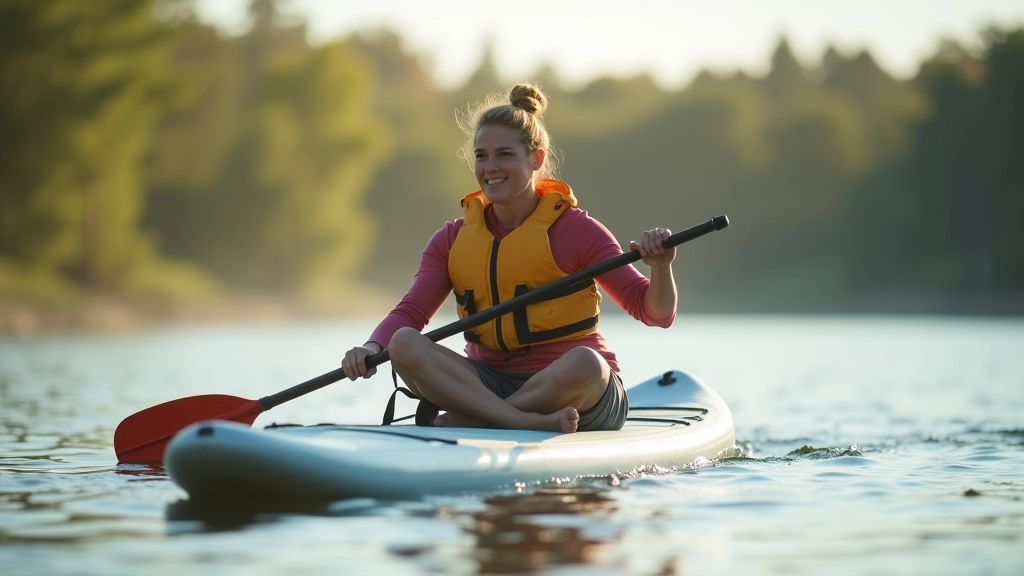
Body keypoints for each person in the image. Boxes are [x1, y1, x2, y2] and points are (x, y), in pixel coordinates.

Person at [341, 83, 677, 434]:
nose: (490, 167)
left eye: (504, 154)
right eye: (481, 156)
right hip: (486, 384)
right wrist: (371, 346)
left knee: (586, 364)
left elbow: (655, 313)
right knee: (403, 343)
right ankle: (514, 420)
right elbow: (411, 312)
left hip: (574, 393)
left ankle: (478, 422)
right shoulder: (451, 239)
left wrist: (661, 268)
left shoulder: (578, 231)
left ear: (536, 159)